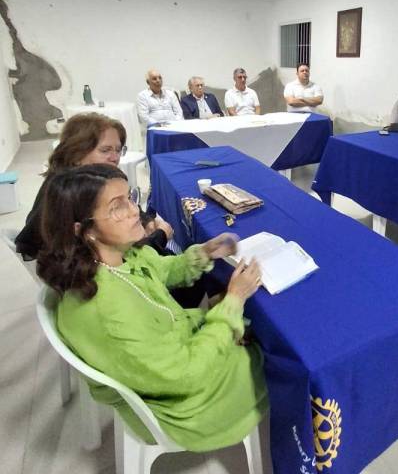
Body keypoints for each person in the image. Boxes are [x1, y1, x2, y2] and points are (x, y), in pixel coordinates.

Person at [36, 165, 268, 451]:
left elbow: (162, 269)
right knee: (278, 354)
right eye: (117, 207)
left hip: (174, 353)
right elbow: (187, 375)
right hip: (186, 408)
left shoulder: (115, 255)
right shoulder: (107, 310)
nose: (135, 211)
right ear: (83, 231)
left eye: (130, 198)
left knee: (251, 320)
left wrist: (204, 253)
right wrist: (232, 303)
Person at [15, 113, 173, 260]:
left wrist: (146, 222)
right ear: (76, 153)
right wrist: (160, 236)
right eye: (105, 150)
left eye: (118, 150)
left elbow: (124, 207)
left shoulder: (82, 182)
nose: (115, 158)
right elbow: (113, 260)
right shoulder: (70, 197)